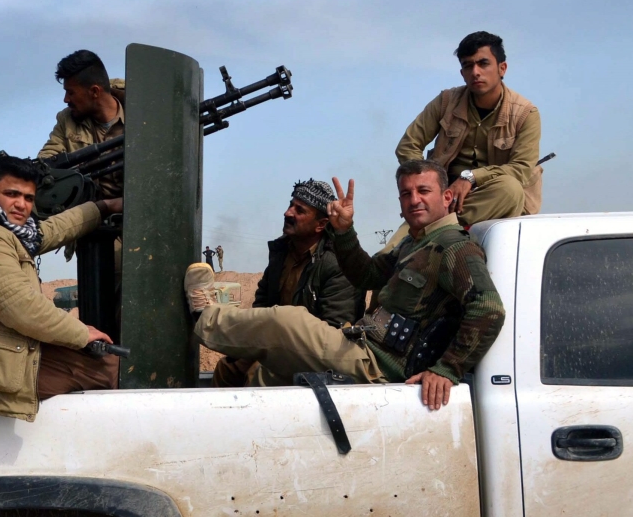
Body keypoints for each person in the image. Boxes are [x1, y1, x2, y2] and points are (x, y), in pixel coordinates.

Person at [188, 161, 505, 410]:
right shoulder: (416, 244)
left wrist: (446, 369)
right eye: (406, 194)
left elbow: (488, 308)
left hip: (381, 367)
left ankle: (204, 318)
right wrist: (345, 231)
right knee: (267, 374)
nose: (414, 200)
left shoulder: (453, 246)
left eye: (424, 191)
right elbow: (366, 274)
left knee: (284, 321)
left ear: (446, 197)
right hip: (364, 348)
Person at [0, 155, 123, 421]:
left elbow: (49, 231)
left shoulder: (3, 229)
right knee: (108, 369)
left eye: (28, 198)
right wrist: (82, 333)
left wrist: (102, 207)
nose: (21, 205)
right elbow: (22, 308)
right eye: (12, 194)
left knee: (103, 363)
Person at [208, 179, 365, 387]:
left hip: (314, 354)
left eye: (299, 210)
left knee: (258, 375)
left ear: (321, 224)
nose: (288, 213)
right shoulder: (281, 253)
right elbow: (262, 304)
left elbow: (334, 333)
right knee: (227, 368)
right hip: (272, 344)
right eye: (291, 205)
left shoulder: (337, 264)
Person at [395, 31, 541, 233]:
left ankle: (435, 228)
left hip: (491, 198)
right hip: (444, 201)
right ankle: (434, 226)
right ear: (462, 73)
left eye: (483, 64)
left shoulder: (525, 113)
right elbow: (408, 146)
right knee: (389, 256)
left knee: (510, 189)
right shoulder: (446, 101)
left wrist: (471, 177)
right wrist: (431, 188)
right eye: (467, 65)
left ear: (502, 68)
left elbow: (520, 169)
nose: (475, 72)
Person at [37, 49, 124, 199]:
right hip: (89, 210)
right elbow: (47, 160)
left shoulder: (142, 114)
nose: (66, 99)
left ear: (94, 92)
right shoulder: (67, 119)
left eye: (71, 92)